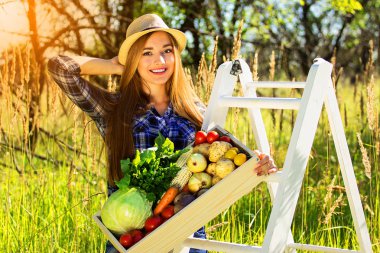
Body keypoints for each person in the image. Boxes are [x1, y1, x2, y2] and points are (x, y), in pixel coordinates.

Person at [48, 13, 277, 253]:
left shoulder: (196, 111)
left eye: (167, 51)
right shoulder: (112, 109)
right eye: (146, 53)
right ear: (133, 59)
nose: (159, 60)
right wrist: (115, 66)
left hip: (189, 236)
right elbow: (59, 68)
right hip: (134, 239)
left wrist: (257, 163)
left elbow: (222, 160)